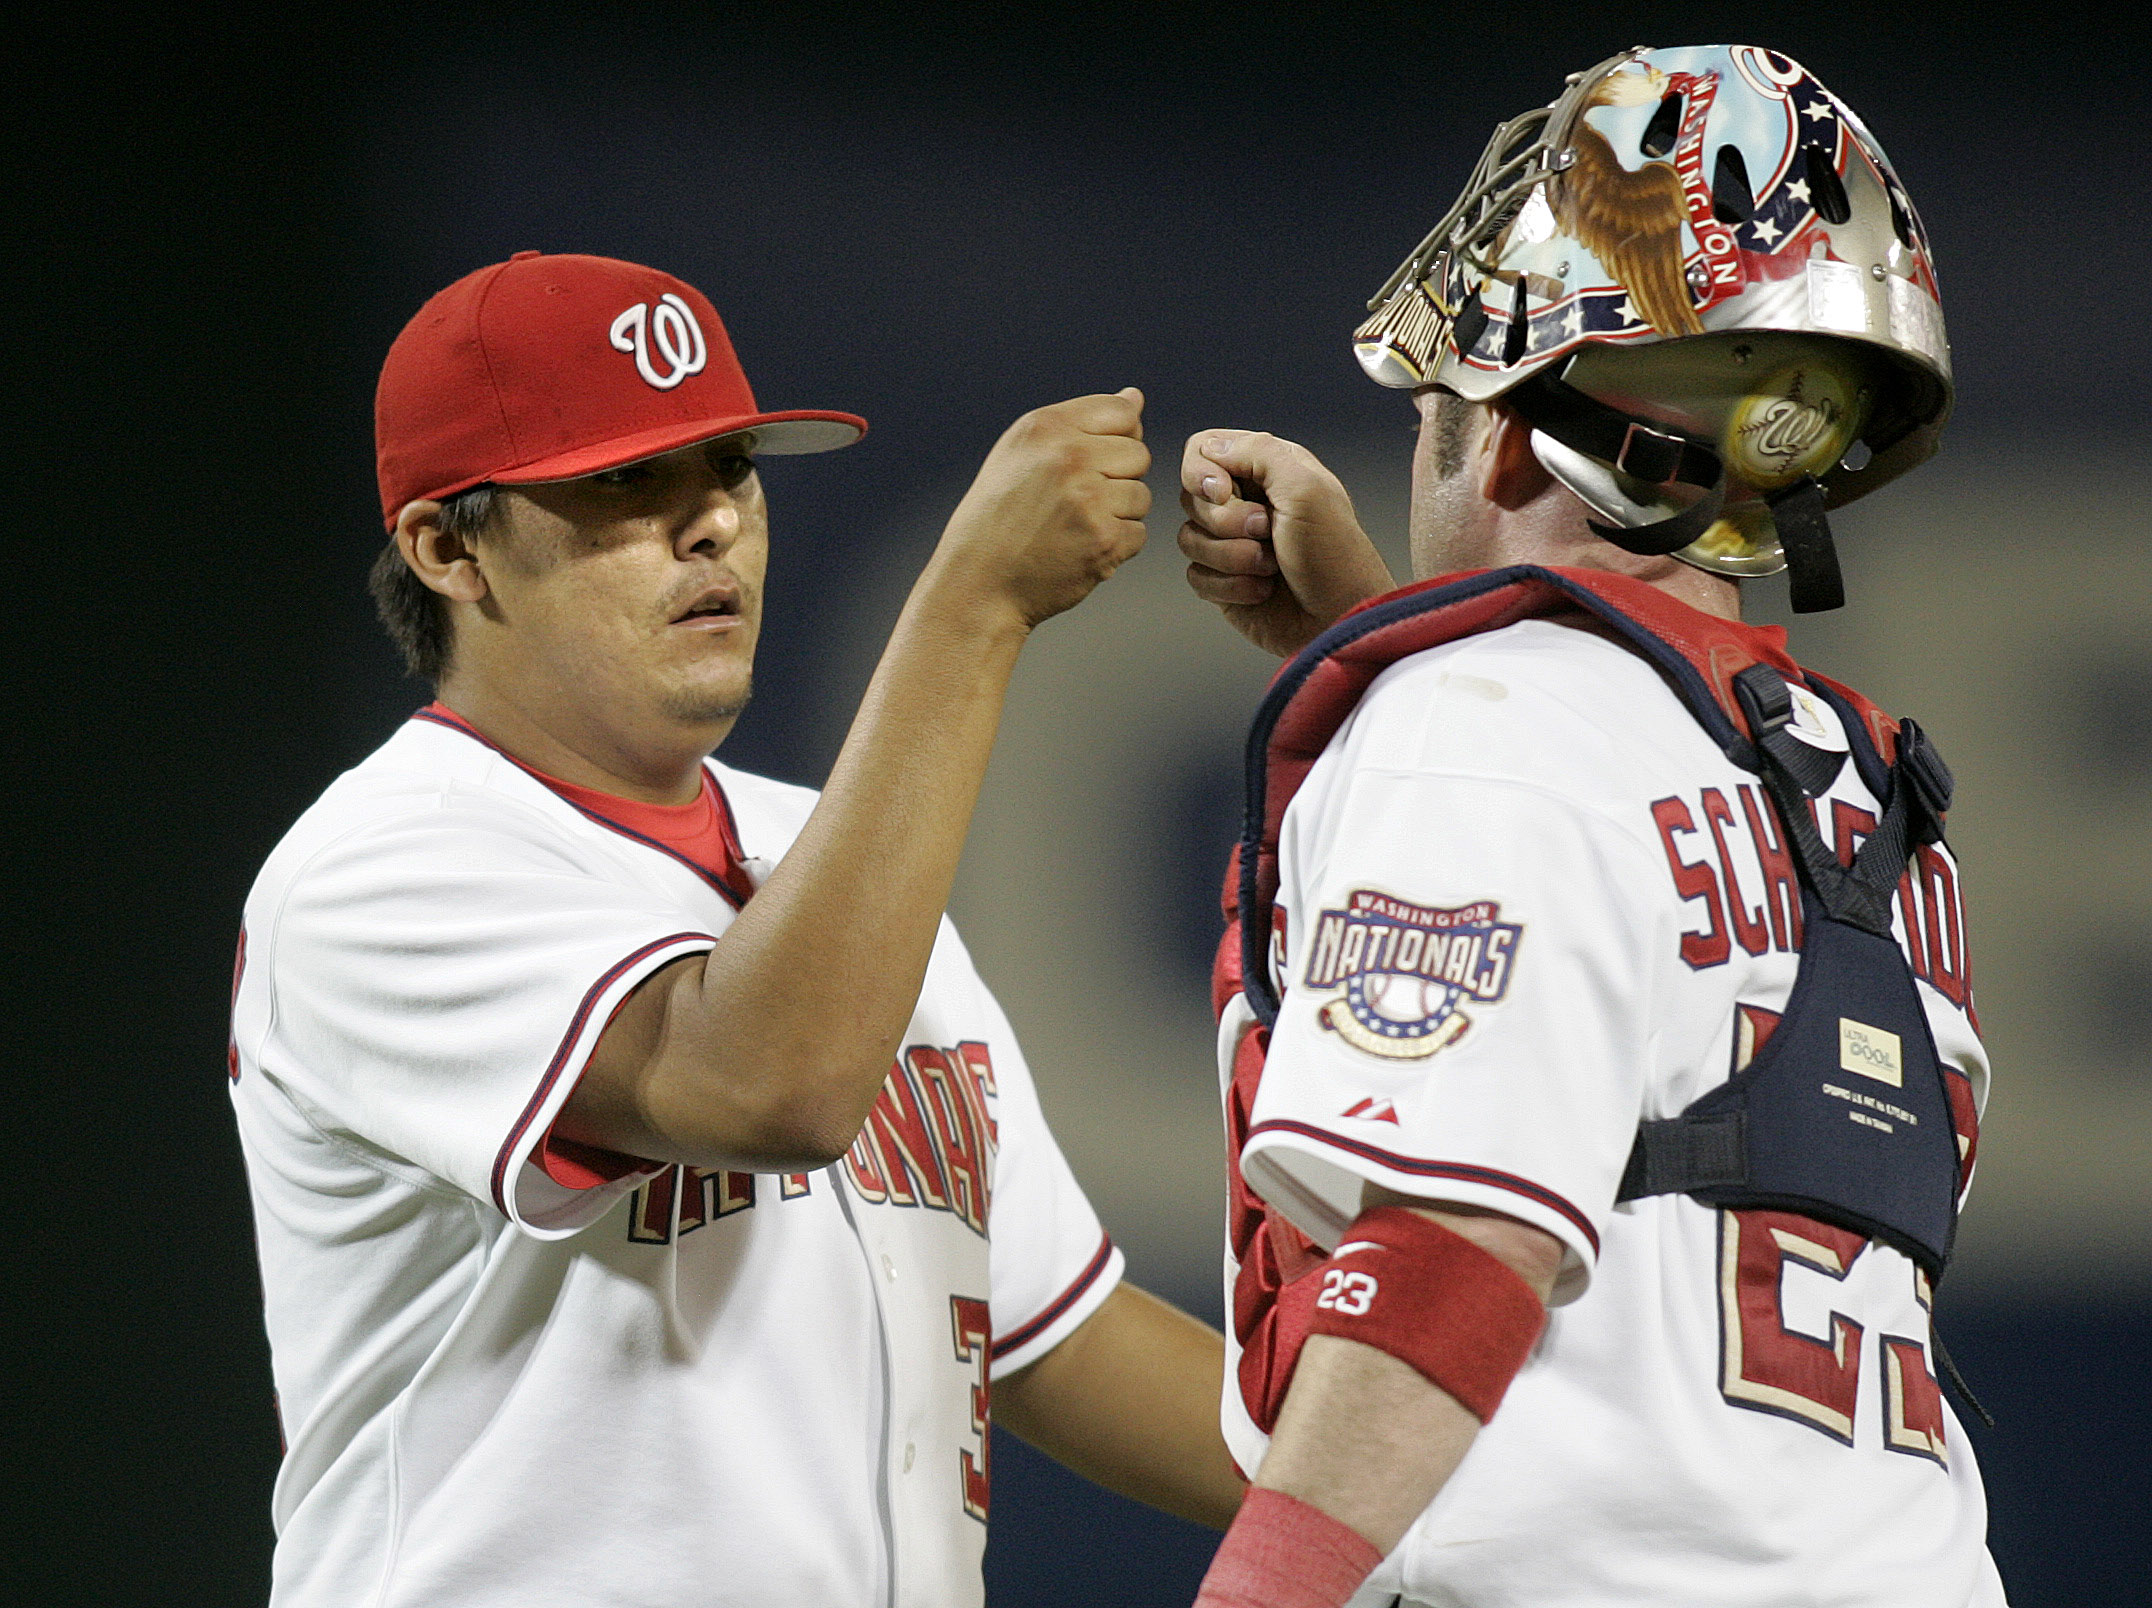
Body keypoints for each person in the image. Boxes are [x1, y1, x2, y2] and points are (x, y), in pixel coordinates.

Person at [227, 250, 1244, 1607]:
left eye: (729, 471)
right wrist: (972, 607)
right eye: (624, 484)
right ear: (448, 548)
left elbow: (1062, 1339)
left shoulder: (828, 850)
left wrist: (1459, 1502)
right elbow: (768, 1085)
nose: (707, 525)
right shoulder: (381, 866)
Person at [1174, 47, 2003, 1608]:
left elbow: (1447, 1260)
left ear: (1498, 431)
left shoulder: (1480, 730)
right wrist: (1380, 641)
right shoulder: (1865, 799)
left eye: (1443, 403)